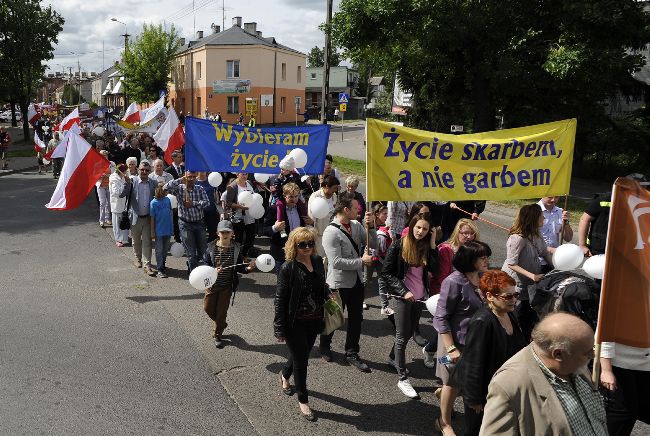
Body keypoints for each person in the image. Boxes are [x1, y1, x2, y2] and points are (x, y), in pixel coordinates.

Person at [481, 312, 607, 436]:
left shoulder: (574, 360)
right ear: (558, 354)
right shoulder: (509, 384)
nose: (594, 355)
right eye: (588, 352)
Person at [455, 270, 527, 435]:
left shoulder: (510, 314)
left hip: (506, 389)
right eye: (508, 296)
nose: (514, 300)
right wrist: (474, 399)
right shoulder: (482, 322)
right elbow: (473, 363)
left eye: (515, 295)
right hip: (485, 394)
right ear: (489, 296)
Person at [433, 241, 491, 436]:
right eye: (482, 257)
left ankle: (445, 396)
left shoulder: (482, 278)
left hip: (474, 343)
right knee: (451, 381)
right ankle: (444, 422)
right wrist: (451, 348)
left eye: (486, 256)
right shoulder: (453, 282)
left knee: (467, 382)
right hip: (453, 344)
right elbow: (441, 317)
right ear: (469, 260)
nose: (487, 260)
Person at [274, 227, 331, 422]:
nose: (307, 247)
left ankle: (284, 374)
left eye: (310, 243)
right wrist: (279, 328)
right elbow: (280, 300)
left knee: (302, 354)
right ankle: (303, 400)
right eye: (302, 244)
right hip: (294, 323)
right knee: (302, 361)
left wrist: (327, 293)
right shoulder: (287, 268)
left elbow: (320, 285)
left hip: (314, 320)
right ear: (294, 246)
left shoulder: (316, 261)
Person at [380, 213, 438, 399]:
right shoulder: (399, 245)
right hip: (403, 296)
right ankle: (402, 378)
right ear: (412, 226)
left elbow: (435, 269)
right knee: (401, 336)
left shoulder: (426, 247)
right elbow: (386, 273)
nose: (420, 232)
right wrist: (403, 291)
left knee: (409, 331)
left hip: (419, 298)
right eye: (418, 227)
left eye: (425, 229)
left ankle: (392, 358)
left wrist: (433, 244)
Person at [319, 192, 377, 371]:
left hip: (356, 282)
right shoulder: (331, 232)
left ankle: (351, 352)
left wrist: (372, 227)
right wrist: (361, 262)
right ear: (345, 209)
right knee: (333, 318)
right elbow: (335, 262)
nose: (359, 211)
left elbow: (373, 244)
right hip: (337, 284)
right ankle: (324, 346)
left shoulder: (357, 225)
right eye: (355, 209)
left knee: (356, 319)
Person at [423, 218, 481, 368]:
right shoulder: (446, 249)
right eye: (465, 233)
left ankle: (446, 362)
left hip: (467, 295)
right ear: (458, 233)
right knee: (445, 329)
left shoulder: (474, 251)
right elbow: (443, 277)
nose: (469, 236)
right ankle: (433, 353)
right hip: (446, 294)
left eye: (472, 233)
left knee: (457, 332)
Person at [502, 204, 553, 340]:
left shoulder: (536, 234)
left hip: (529, 283)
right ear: (533, 218)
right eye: (541, 216)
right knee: (518, 312)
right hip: (515, 283)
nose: (544, 218)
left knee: (528, 312)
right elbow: (512, 263)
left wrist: (556, 267)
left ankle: (525, 337)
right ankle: (516, 340)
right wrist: (533, 276)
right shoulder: (517, 238)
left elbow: (544, 252)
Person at [203, 220, 255, 348]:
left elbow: (239, 267)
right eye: (223, 232)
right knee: (208, 308)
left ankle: (217, 334)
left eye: (228, 232)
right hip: (212, 285)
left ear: (232, 233)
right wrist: (212, 270)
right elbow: (204, 265)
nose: (225, 234)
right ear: (217, 233)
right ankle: (221, 324)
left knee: (221, 312)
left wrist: (247, 269)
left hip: (226, 286)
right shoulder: (211, 247)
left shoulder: (236, 248)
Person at [164, 171, 210, 273]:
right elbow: (165, 188)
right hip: (185, 224)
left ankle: (207, 273)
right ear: (185, 176)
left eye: (194, 177)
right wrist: (180, 179)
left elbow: (207, 203)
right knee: (191, 252)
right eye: (189, 177)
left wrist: (193, 203)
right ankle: (194, 273)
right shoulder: (179, 188)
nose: (191, 179)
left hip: (199, 223)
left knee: (204, 251)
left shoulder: (200, 189)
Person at [600, 342, 650, 435]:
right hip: (618, 361)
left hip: (645, 360)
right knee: (624, 413)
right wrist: (606, 370)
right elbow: (605, 335)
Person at [120, 160, 157, 276]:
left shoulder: (153, 183)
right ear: (138, 169)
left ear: (150, 171)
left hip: (148, 218)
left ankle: (147, 265)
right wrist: (126, 183)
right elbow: (121, 194)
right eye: (142, 170)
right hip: (135, 217)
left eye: (146, 170)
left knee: (147, 242)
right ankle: (138, 258)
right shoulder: (132, 181)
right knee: (136, 241)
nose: (144, 172)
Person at [263, 182, 311, 270]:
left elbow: (306, 226)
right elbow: (263, 230)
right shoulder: (274, 209)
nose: (294, 199)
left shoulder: (301, 208)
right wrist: (275, 228)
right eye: (291, 197)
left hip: (299, 251)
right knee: (283, 282)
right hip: (281, 252)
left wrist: (311, 223)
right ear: (284, 196)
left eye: (296, 196)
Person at [222, 173, 256, 258]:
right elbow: (228, 203)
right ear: (237, 174)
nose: (245, 176)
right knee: (238, 239)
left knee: (251, 237)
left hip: (250, 215)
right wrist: (240, 207)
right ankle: (237, 257)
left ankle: (244, 255)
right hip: (237, 216)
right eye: (243, 174)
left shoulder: (249, 183)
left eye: (246, 174)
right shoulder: (232, 186)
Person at [538, 196, 573, 273]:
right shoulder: (533, 211)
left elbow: (568, 238)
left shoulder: (560, 212)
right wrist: (552, 250)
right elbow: (529, 240)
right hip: (537, 261)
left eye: (556, 197)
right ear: (542, 194)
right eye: (550, 197)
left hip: (554, 260)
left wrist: (566, 222)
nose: (553, 200)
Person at [308, 175, 339, 257]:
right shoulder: (315, 196)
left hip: (331, 233)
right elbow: (311, 219)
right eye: (334, 188)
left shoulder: (334, 196)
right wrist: (312, 237)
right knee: (319, 258)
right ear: (326, 186)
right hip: (318, 235)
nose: (335, 190)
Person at [150, 183, 174, 278]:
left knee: (165, 250)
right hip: (159, 231)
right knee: (159, 250)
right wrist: (152, 231)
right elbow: (152, 218)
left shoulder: (167, 200)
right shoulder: (153, 202)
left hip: (167, 229)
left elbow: (170, 214)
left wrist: (172, 228)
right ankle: (160, 268)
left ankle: (163, 265)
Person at [109, 164, 130, 247]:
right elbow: (116, 193)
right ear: (122, 171)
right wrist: (125, 185)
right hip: (116, 204)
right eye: (125, 171)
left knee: (124, 221)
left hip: (124, 203)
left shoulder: (123, 177)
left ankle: (124, 238)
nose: (126, 172)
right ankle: (118, 239)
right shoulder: (114, 178)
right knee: (117, 223)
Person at [196, 172, 220, 242]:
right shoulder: (194, 182)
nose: (202, 171)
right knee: (200, 234)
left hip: (211, 211)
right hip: (199, 212)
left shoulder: (212, 180)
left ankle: (210, 249)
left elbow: (217, 196)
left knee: (213, 233)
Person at [96, 150, 112, 228]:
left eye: (106, 155)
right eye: (103, 155)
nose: (104, 156)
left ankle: (107, 218)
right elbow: (94, 176)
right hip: (101, 186)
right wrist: (101, 175)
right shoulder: (97, 164)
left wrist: (107, 175)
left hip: (109, 185)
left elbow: (114, 174)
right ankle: (101, 220)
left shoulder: (111, 164)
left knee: (108, 202)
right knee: (102, 203)